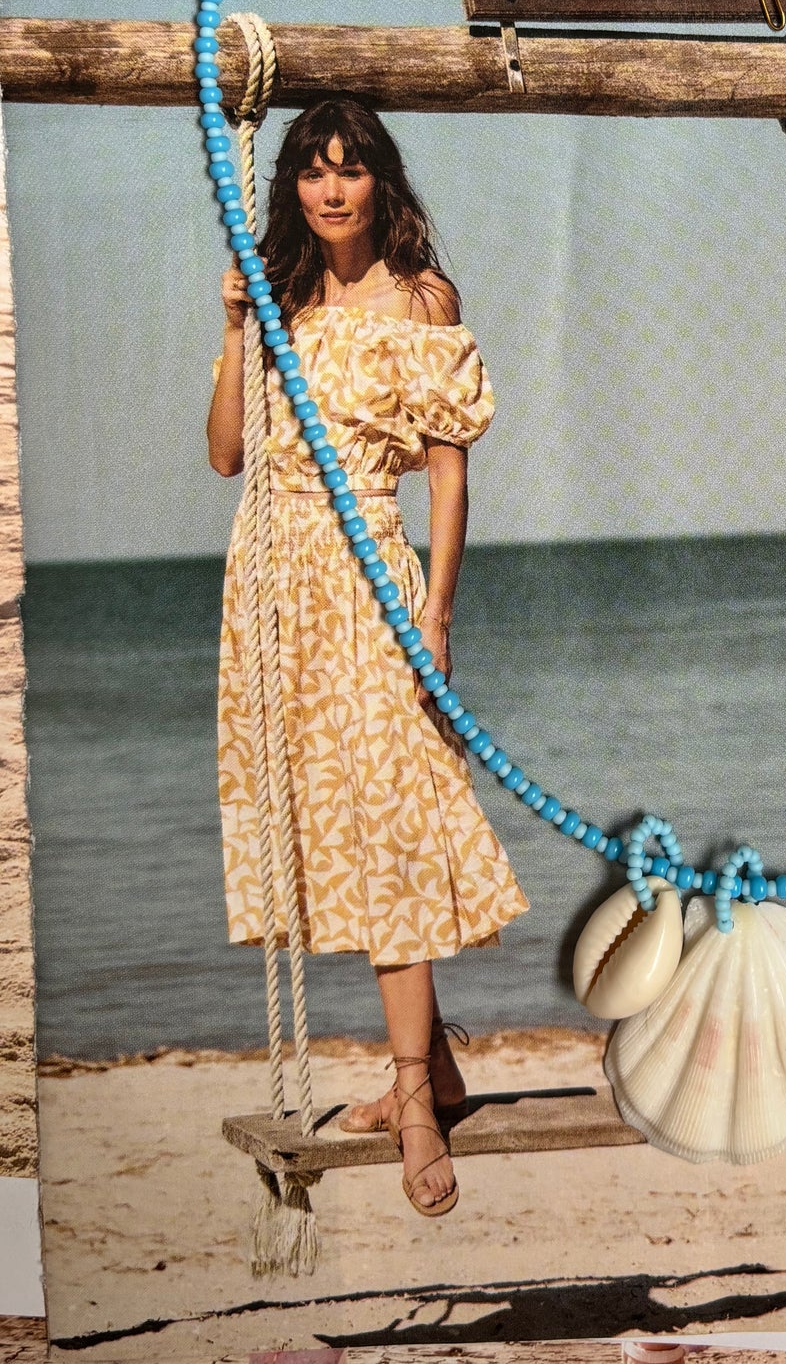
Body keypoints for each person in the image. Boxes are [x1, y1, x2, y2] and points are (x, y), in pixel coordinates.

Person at [206, 97, 528, 1217]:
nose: (330, 189)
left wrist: (436, 612)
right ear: (292, 186)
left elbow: (446, 471)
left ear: (381, 181)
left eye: (350, 170)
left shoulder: (421, 296)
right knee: (336, 828)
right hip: (274, 585)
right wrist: (238, 324)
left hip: (368, 581)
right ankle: (427, 1064)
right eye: (311, 171)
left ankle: (413, 1095)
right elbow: (225, 451)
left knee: (393, 822)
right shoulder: (285, 301)